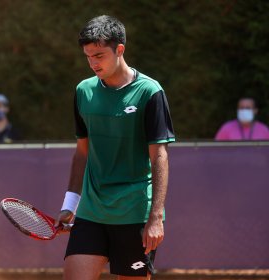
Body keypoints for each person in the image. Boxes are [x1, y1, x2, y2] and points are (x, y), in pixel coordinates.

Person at [56, 15, 175, 280]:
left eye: (99, 55)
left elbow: (159, 156)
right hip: (91, 212)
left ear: (119, 49)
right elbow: (82, 152)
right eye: (88, 56)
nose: (93, 63)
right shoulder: (83, 91)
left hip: (134, 213)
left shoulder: (150, 92)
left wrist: (155, 216)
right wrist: (70, 204)